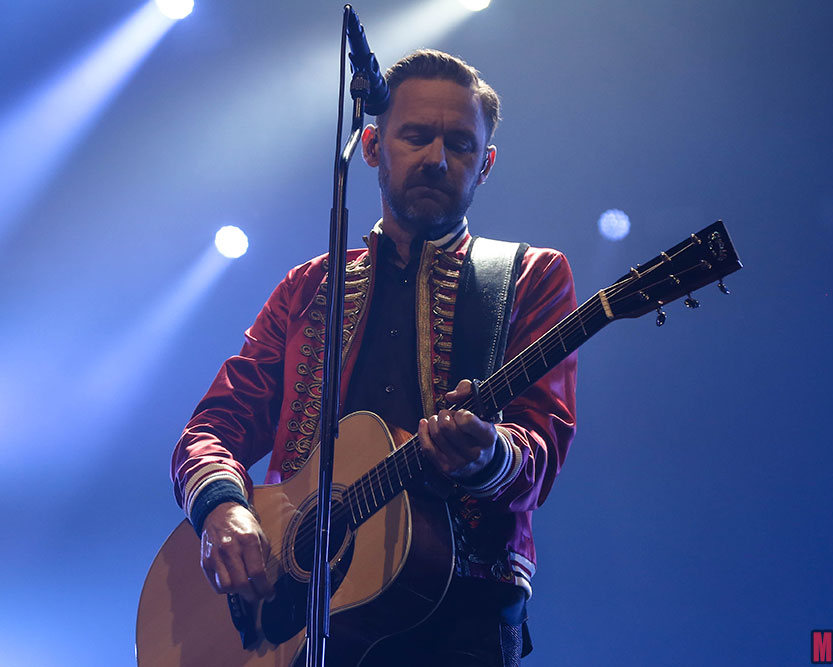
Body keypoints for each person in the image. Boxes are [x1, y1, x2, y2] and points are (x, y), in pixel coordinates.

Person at [171, 49, 577, 666]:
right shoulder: (308, 287)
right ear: (370, 146)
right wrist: (221, 506)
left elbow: (542, 443)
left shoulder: (529, 276)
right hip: (295, 616)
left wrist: (488, 455)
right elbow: (214, 426)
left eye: (460, 145)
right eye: (415, 136)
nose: (436, 158)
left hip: (459, 618)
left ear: (486, 165)